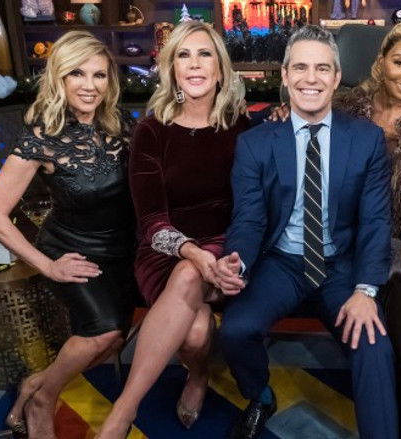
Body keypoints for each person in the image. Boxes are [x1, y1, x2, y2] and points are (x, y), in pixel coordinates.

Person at [269, 22, 401, 438]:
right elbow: (304, 114)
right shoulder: (347, 108)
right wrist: (283, 113)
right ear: (381, 62)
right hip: (375, 230)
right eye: (400, 62)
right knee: (394, 284)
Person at [214, 25, 397, 439]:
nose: (310, 78)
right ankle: (260, 395)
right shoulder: (255, 143)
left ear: (336, 77)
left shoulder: (366, 139)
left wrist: (366, 290)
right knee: (236, 330)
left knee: (374, 346)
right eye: (300, 68)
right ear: (284, 75)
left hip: (341, 267)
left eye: (322, 68)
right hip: (282, 263)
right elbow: (249, 219)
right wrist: (236, 261)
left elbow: (375, 220)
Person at [0, 31, 136, 439]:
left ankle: (36, 382)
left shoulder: (122, 124)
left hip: (124, 248)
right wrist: (47, 266)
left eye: (99, 75)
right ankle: (43, 400)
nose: (90, 85)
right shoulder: (41, 136)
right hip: (72, 250)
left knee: (115, 340)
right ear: (59, 78)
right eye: (77, 73)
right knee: (103, 331)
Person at [96, 20, 248, 437]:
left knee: (194, 310)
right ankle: (189, 377)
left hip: (225, 247)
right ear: (172, 69)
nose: (194, 64)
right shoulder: (151, 131)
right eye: (184, 55)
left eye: (204, 54)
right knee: (194, 325)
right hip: (163, 250)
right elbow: (150, 221)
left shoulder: (241, 127)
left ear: (220, 68)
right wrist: (192, 252)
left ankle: (124, 410)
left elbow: (255, 205)